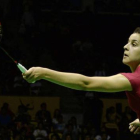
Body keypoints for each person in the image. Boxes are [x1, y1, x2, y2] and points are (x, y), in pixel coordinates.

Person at [23, 27, 140, 135]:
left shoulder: (135, 79)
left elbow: (85, 83)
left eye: (134, 44)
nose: (125, 46)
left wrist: (44, 73)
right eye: (128, 42)